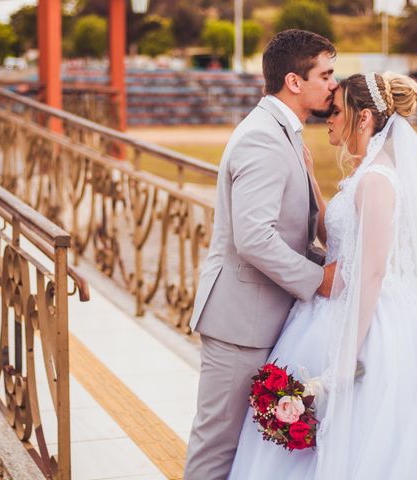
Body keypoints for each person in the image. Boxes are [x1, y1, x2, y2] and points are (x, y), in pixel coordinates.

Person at [228, 72, 417, 479]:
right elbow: (342, 240)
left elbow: (373, 270)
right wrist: (311, 181)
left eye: (336, 110)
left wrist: (347, 356)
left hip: (369, 320)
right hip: (332, 304)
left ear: (362, 119)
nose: (328, 117)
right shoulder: (364, 175)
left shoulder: (378, 180)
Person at [184, 29, 338, 480]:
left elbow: (289, 229)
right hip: (239, 323)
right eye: (325, 74)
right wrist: (320, 280)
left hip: (263, 318)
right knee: (217, 447)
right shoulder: (263, 138)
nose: (333, 84)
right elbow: (254, 237)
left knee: (245, 445)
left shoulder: (282, 132)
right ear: (294, 81)